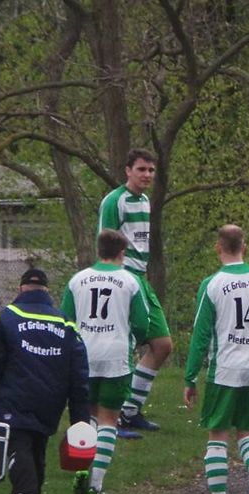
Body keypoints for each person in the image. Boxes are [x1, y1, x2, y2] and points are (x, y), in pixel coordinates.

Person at [0, 268, 90, 494]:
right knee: (37, 449)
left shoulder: (4, 319)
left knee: (18, 446)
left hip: (15, 397)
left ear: (21, 289)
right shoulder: (66, 324)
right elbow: (80, 375)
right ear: (46, 290)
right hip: (51, 401)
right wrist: (80, 419)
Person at [183, 224, 249, 494]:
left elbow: (201, 335)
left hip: (226, 370)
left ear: (218, 247)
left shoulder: (212, 284)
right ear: (245, 247)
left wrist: (190, 377)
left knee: (217, 436)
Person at [61, 230, 149, 494]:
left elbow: (66, 320)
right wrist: (134, 339)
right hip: (115, 358)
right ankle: (95, 486)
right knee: (109, 419)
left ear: (98, 250)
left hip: (83, 357)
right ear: (122, 253)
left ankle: (81, 470)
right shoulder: (130, 281)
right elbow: (142, 323)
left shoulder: (78, 280)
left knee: (86, 416)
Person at [98, 148, 173, 438]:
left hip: (141, 279)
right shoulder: (114, 200)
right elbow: (105, 243)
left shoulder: (144, 201)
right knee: (124, 346)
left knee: (163, 344)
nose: (147, 175)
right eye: (141, 169)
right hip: (123, 279)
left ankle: (130, 411)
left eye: (151, 170)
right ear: (128, 170)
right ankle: (111, 417)